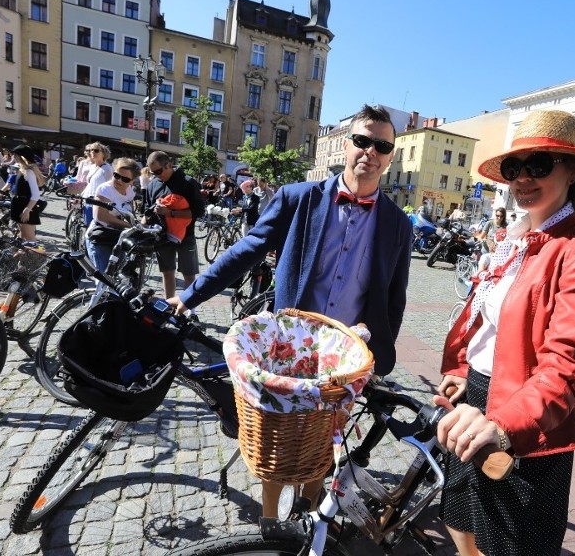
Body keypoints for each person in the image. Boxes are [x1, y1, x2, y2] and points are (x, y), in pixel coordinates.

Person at [165, 104, 413, 517]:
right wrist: (189, 295)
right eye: (362, 141)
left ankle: (306, 514)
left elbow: (394, 297)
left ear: (390, 155)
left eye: (381, 145)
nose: (370, 151)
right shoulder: (298, 199)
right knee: (278, 442)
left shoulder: (398, 224)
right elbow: (246, 250)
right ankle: (268, 520)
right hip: (288, 349)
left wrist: (377, 350)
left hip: (343, 357)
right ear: (347, 147)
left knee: (324, 443)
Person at [434, 109, 575, 555]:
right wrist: (462, 367)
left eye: (539, 165)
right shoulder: (512, 243)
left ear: (573, 171)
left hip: (525, 416)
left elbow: (565, 368)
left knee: (512, 542)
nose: (522, 179)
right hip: (474, 396)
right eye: (515, 168)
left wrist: (503, 425)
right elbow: (482, 321)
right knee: (459, 514)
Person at [143, 151, 205, 304]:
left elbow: (198, 211)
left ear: (169, 165)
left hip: (186, 235)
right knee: (167, 272)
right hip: (162, 237)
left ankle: (190, 309)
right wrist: (148, 216)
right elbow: (146, 209)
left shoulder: (188, 182)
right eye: (153, 173)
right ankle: (169, 305)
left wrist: (170, 212)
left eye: (158, 171)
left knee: (188, 274)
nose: (157, 175)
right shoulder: (153, 184)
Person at [85, 157, 139, 274]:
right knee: (105, 278)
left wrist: (134, 223)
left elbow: (129, 211)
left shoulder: (130, 191)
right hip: (100, 237)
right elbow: (101, 216)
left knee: (117, 276)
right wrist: (128, 225)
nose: (119, 180)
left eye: (125, 179)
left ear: (132, 181)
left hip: (117, 237)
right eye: (116, 175)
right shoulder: (105, 189)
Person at [8, 145, 44, 241]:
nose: (13, 157)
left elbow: (36, 194)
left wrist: (27, 210)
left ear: (21, 156)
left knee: (29, 238)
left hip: (25, 206)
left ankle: (37, 255)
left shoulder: (28, 172)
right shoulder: (23, 170)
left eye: (15, 155)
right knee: (24, 237)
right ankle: (27, 255)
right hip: (21, 205)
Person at [77, 142, 113, 226]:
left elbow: (110, 188)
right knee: (87, 227)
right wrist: (80, 196)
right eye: (91, 150)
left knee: (93, 229)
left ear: (103, 154)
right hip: (88, 201)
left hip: (98, 203)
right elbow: (89, 185)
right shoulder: (93, 167)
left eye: (96, 150)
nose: (92, 152)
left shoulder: (107, 169)